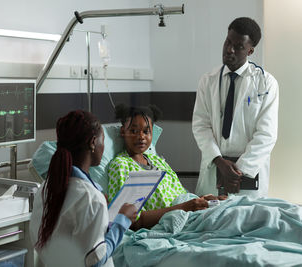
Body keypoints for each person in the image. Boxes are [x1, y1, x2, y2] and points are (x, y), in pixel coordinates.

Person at [29, 110, 137, 267]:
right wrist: (122, 221)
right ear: (93, 142)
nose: (103, 146)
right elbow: (95, 261)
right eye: (103, 140)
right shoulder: (90, 197)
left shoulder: (46, 189)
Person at [192, 17, 279, 198]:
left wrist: (237, 171)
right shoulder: (208, 81)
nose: (229, 50)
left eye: (238, 46)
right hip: (215, 166)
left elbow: (266, 134)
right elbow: (201, 125)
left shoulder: (265, 83)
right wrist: (219, 161)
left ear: (250, 50)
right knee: (208, 221)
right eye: (228, 42)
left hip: (247, 174)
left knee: (247, 222)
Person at [108, 104, 225, 230]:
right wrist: (186, 207)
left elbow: (180, 195)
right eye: (134, 131)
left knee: (235, 206)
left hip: (191, 212)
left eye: (146, 131)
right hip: (177, 220)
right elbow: (129, 219)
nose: (141, 136)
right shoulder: (121, 165)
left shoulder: (157, 161)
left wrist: (205, 200)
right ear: (122, 132)